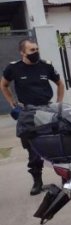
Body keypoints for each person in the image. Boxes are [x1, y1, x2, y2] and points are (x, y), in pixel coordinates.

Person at [0, 39, 65, 195]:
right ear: (22, 52)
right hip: (28, 113)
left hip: (47, 110)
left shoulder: (46, 66)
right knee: (33, 148)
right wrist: (11, 102)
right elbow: (3, 84)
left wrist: (58, 104)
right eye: (31, 50)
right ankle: (37, 182)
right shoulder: (13, 68)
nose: (36, 53)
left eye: (37, 49)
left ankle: (65, 178)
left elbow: (60, 84)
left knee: (56, 145)